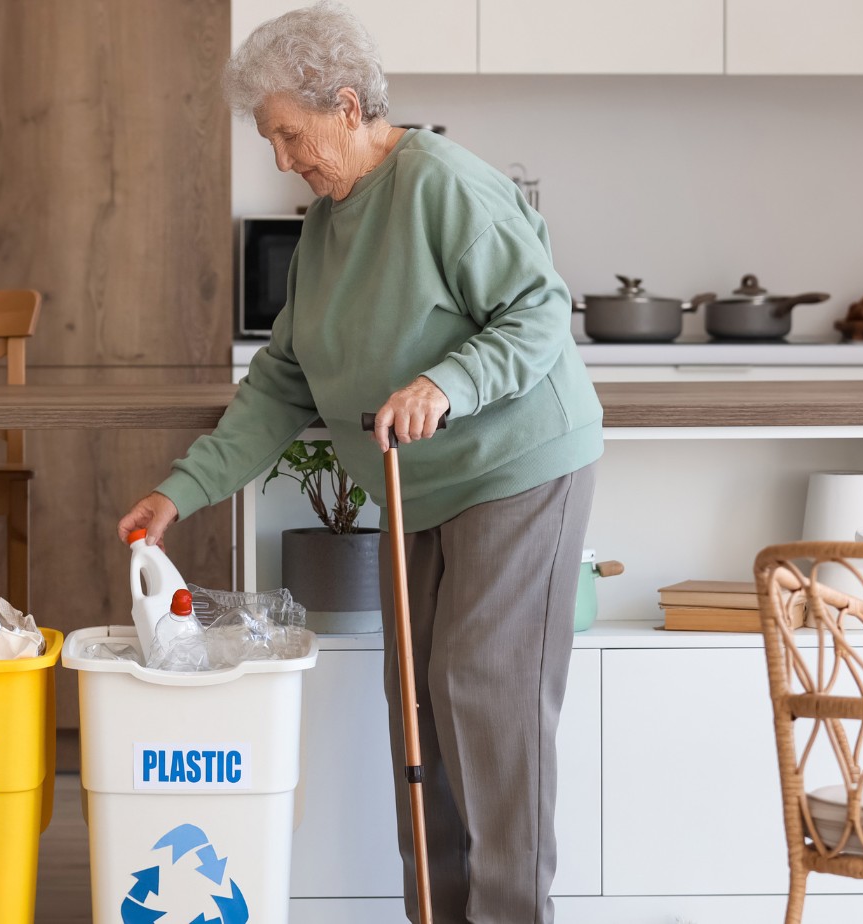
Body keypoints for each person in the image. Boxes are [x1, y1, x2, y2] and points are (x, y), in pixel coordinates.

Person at [116, 3, 604, 922]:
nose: (281, 159)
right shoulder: (327, 223)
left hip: (516, 468)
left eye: (289, 135)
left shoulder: (440, 184)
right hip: (415, 488)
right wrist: (179, 493)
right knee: (417, 701)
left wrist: (446, 383)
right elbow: (283, 380)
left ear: (346, 104)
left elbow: (539, 311)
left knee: (484, 689)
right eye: (269, 140)